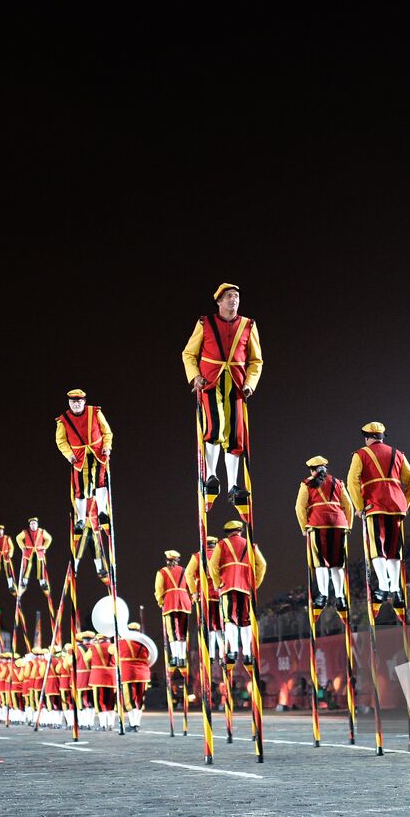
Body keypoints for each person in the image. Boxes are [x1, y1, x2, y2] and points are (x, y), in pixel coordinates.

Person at [182, 283, 263, 506]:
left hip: (236, 385)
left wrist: (250, 383)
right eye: (228, 296)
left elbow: (256, 360)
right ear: (219, 301)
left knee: (236, 435)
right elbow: (189, 353)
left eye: (236, 296)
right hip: (210, 382)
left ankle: (233, 486)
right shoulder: (204, 323)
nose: (233, 300)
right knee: (214, 426)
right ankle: (210, 476)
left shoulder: (248, 325)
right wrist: (195, 376)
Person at [346, 422, 410, 604]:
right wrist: (404, 503)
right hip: (396, 507)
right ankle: (396, 589)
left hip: (374, 505)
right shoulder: (398, 454)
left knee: (378, 548)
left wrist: (359, 506)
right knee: (394, 550)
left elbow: (352, 481)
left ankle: (384, 587)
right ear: (383, 436)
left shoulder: (361, 454)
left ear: (367, 437)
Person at [55, 389, 114, 577]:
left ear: (84, 401)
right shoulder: (63, 421)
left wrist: (107, 447)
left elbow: (107, 431)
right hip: (79, 458)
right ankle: (80, 519)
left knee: (100, 482)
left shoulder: (95, 412)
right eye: (73, 402)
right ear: (69, 403)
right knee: (80, 489)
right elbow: (61, 441)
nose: (76, 404)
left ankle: (103, 512)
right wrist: (69, 455)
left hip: (97, 453)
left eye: (79, 402)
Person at [295, 456, 356, 611]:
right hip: (338, 525)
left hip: (317, 524)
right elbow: (348, 506)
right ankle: (340, 597)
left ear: (312, 470)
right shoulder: (338, 482)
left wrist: (304, 527)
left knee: (320, 563)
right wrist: (347, 525)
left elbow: (299, 507)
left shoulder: (306, 484)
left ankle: (322, 595)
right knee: (337, 564)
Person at [209, 520, 267, 665]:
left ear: (228, 533)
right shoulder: (251, 545)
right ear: (240, 531)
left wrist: (217, 582)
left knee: (230, 619)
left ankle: (233, 651)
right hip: (245, 587)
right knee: (245, 621)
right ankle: (247, 654)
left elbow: (213, 565)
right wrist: (255, 583)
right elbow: (262, 565)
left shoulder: (222, 544)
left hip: (227, 586)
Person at [186, 535, 226, 663]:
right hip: (220, 593)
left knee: (207, 626)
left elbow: (188, 574)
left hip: (204, 595)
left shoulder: (198, 556)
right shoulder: (222, 554)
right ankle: (223, 653)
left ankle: (210, 655)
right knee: (220, 626)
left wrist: (193, 592)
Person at [154, 550, 193, 668]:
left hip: (170, 602)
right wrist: (189, 600)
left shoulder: (162, 572)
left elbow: (159, 589)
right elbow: (190, 586)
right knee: (182, 631)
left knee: (172, 632)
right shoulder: (185, 571)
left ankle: (175, 657)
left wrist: (160, 601)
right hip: (184, 602)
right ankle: (182, 658)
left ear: (167, 560)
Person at [118, 623, 153, 731]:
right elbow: (151, 658)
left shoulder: (122, 642)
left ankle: (133, 724)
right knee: (139, 700)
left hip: (129, 673)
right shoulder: (146, 644)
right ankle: (136, 723)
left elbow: (112, 651)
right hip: (143, 674)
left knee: (130, 700)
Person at [16, 517, 54, 591]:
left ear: (37, 524)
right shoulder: (25, 532)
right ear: (29, 525)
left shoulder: (42, 531)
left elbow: (49, 539)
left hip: (38, 552)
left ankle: (42, 583)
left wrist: (44, 547)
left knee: (41, 568)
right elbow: (18, 538)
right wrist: (22, 547)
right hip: (28, 552)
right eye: (31, 524)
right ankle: (24, 582)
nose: (33, 525)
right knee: (27, 567)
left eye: (34, 523)